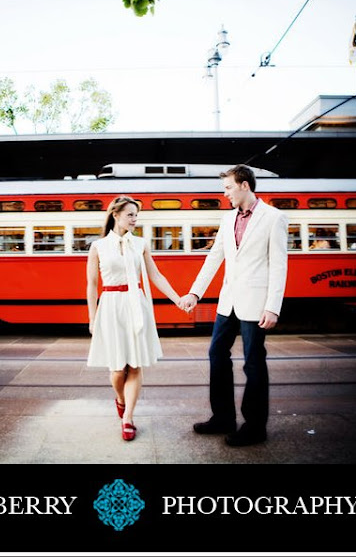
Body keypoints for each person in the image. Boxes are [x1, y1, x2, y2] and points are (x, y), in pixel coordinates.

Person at [179, 165, 288, 447]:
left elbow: (278, 265)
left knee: (253, 364)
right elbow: (214, 257)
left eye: (228, 188)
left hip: (255, 302)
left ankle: (254, 427)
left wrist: (272, 306)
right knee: (217, 354)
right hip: (228, 302)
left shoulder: (273, 218)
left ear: (244, 185)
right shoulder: (227, 219)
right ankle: (223, 418)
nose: (224, 193)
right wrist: (195, 292)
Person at [87, 196, 184, 441]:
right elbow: (91, 285)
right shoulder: (98, 246)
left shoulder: (140, 244)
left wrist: (177, 299)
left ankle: (128, 417)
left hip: (136, 305)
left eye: (136, 215)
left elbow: (156, 275)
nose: (134, 219)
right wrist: (92, 318)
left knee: (135, 364)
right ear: (116, 214)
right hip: (110, 306)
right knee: (118, 369)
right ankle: (120, 399)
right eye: (130, 214)